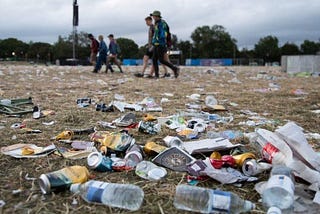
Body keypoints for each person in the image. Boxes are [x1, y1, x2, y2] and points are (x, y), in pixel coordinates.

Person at [150, 10, 179, 78]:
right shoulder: (157, 23)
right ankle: (156, 75)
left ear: (157, 16)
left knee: (161, 60)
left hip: (161, 44)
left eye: (153, 16)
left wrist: (159, 40)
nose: (153, 17)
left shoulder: (162, 23)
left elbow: (163, 34)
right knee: (154, 59)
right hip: (156, 44)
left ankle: (174, 68)